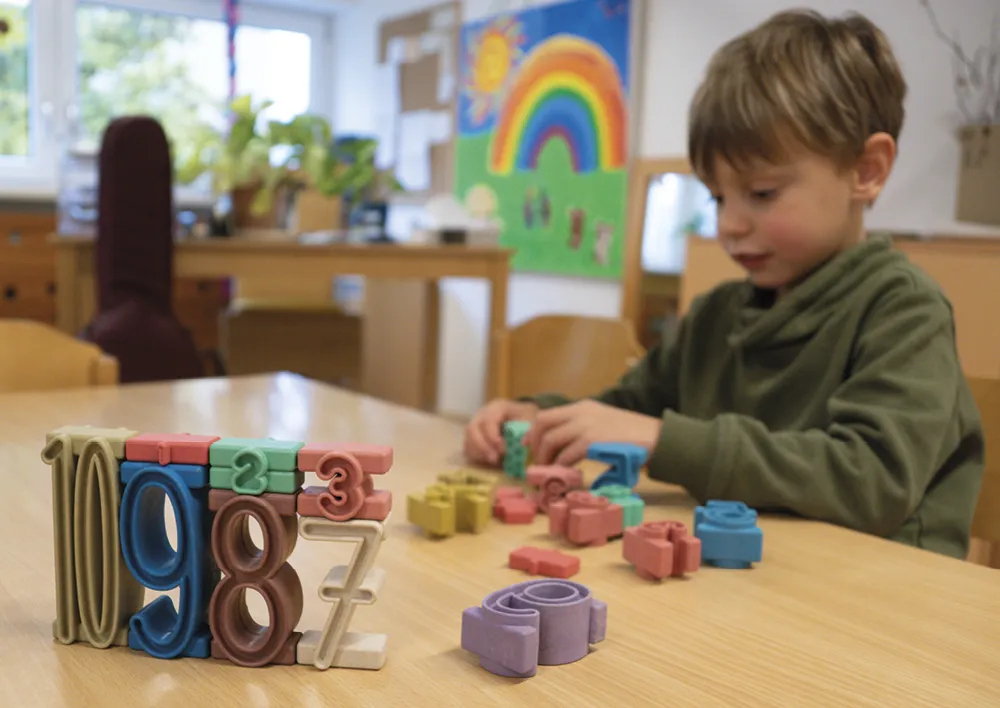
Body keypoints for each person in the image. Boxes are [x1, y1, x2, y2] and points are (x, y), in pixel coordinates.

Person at [462, 9, 984, 560]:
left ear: (867, 170)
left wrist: (663, 440)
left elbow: (871, 481)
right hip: (752, 584)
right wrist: (538, 417)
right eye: (716, 196)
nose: (728, 224)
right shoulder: (716, 315)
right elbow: (626, 407)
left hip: (884, 599)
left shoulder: (904, 309)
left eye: (760, 193)